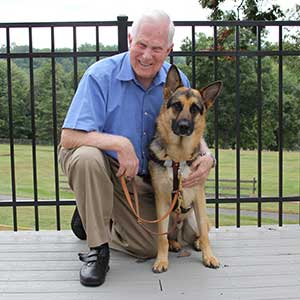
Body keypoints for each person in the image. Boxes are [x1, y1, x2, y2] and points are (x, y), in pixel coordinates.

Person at [58, 9, 215, 287]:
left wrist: (206, 154)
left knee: (149, 247)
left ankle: (95, 210)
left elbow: (187, 126)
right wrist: (118, 143)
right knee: (87, 158)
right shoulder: (100, 75)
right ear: (130, 39)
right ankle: (98, 250)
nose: (146, 55)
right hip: (105, 165)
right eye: (141, 45)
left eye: (156, 48)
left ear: (169, 49)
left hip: (142, 179)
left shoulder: (176, 82)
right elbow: (69, 137)